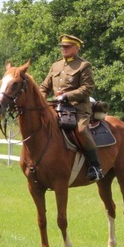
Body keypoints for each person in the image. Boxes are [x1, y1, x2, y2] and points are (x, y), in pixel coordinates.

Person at [39, 34, 105, 181]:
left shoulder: (83, 65)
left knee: (81, 130)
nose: (64, 49)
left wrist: (66, 96)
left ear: (76, 48)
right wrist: (40, 101)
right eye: (62, 46)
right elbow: (44, 87)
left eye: (67, 47)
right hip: (56, 107)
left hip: (78, 108)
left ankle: (95, 166)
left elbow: (88, 88)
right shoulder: (55, 65)